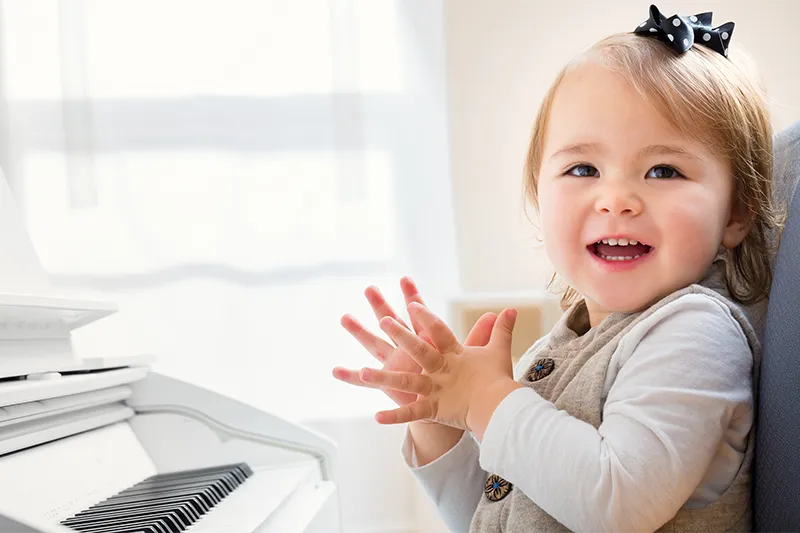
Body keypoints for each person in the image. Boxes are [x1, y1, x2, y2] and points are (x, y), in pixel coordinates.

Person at [332, 5, 782, 532]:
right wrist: (444, 419)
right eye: (582, 168)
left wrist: (486, 399)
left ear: (735, 213)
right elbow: (494, 519)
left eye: (664, 170)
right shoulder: (561, 346)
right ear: (538, 196)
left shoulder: (694, 334)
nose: (616, 198)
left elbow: (618, 503)